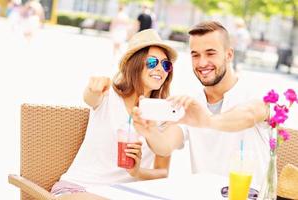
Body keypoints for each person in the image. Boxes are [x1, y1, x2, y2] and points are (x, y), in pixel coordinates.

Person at [132, 21, 270, 187]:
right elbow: (165, 146)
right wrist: (150, 131)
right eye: (195, 55)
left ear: (229, 55)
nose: (202, 63)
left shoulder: (255, 93)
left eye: (210, 53)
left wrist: (207, 121)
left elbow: (248, 116)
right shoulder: (191, 104)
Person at [50, 29, 178, 196]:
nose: (161, 68)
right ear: (135, 64)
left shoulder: (163, 114)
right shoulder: (108, 94)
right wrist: (92, 88)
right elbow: (90, 97)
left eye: (166, 64)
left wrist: (137, 172)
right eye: (152, 62)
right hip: (78, 189)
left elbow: (162, 172)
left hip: (123, 194)